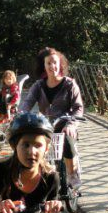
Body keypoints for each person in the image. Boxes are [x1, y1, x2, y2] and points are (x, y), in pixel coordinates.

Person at [19, 48, 84, 187]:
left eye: (54, 62)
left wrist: (71, 124)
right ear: (44, 66)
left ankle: (72, 173)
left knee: (66, 138)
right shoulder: (39, 85)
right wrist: (21, 114)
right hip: (45, 125)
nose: (52, 66)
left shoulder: (69, 84)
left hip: (65, 123)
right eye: (48, 63)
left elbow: (78, 108)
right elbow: (27, 102)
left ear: (60, 64)